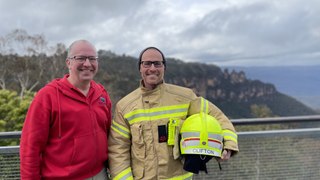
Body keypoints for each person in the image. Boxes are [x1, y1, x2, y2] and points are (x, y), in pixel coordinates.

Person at [108, 47, 239, 179]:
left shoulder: (185, 97)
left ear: (164, 67)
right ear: (140, 68)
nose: (152, 68)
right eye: (147, 63)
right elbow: (118, 150)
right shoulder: (125, 106)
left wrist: (228, 145)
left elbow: (217, 117)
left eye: (157, 63)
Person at [20, 40, 112, 180]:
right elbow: (30, 147)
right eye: (80, 58)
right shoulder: (47, 97)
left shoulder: (102, 94)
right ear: (68, 62)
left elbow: (109, 135)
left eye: (92, 58)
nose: (87, 64)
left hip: (100, 174)